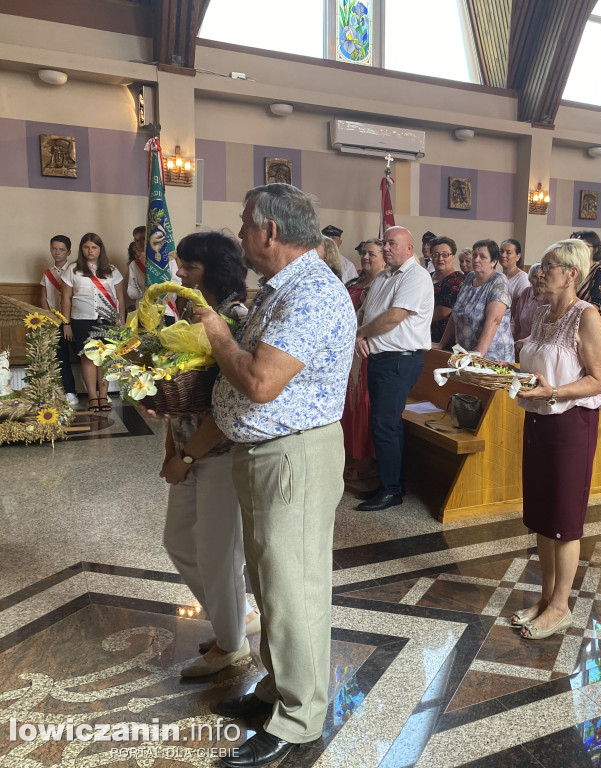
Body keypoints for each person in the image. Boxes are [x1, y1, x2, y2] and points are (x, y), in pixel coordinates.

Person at [195, 183, 355, 768]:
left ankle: (301, 716)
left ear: (269, 231)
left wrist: (215, 332)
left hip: (294, 457)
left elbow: (261, 383)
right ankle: (277, 687)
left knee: (294, 589)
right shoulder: (283, 289)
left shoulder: (312, 293)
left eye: (243, 225)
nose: (239, 236)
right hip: (267, 454)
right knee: (270, 584)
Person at [158, 231, 259, 678]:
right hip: (187, 449)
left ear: (214, 269)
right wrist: (172, 449)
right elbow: (181, 396)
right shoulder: (191, 311)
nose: (179, 273)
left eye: (189, 267)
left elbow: (230, 404)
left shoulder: (235, 318)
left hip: (219, 453)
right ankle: (234, 615)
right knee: (178, 541)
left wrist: (189, 457)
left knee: (218, 553)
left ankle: (232, 644)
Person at [513, 239, 601, 638]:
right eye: (539, 264)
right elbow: (538, 364)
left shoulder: (586, 316)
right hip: (539, 420)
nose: (539, 272)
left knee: (565, 518)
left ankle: (560, 605)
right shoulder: (541, 314)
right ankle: (545, 595)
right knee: (542, 514)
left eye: (548, 266)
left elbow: (598, 378)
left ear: (571, 273)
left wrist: (553, 392)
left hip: (571, 424)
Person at [355, 226, 434, 511]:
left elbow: (394, 317)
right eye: (384, 243)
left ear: (409, 249)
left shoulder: (416, 276)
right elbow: (366, 312)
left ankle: (392, 490)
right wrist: (359, 334)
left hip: (400, 359)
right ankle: (391, 483)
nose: (385, 248)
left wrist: (361, 334)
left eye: (392, 244)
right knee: (385, 424)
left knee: (384, 424)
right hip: (381, 359)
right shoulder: (384, 276)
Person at [60, 233, 126, 413]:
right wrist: (66, 323)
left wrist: (121, 320)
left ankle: (103, 396)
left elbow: (120, 298)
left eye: (94, 247)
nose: (90, 251)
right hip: (81, 320)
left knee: (105, 358)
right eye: (86, 247)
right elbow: (66, 298)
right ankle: (92, 397)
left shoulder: (112, 270)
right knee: (88, 358)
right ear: (82, 249)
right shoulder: (73, 269)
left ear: (100, 249)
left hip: (108, 321)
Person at [343, 239, 387, 481]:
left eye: (372, 253)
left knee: (362, 403)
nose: (366, 257)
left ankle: (364, 458)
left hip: (366, 349)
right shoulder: (355, 281)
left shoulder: (383, 283)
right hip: (347, 349)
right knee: (348, 403)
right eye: (363, 253)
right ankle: (349, 452)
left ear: (383, 257)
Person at [438, 239, 513, 361]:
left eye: (482, 257)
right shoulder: (470, 277)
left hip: (491, 357)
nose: (476, 260)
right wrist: (442, 344)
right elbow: (455, 313)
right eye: (474, 255)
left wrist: (479, 352)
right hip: (466, 354)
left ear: (493, 261)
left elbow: (494, 320)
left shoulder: (499, 281)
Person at [40, 234, 77, 405]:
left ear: (68, 252)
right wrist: (49, 317)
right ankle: (70, 392)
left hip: (73, 318)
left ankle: (96, 391)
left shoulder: (75, 270)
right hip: (55, 319)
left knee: (84, 355)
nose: (57, 252)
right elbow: (44, 297)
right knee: (61, 357)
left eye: (61, 249)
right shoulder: (48, 273)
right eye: (54, 249)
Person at [430, 235, 463, 345]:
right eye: (436, 255)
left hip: (444, 339)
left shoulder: (457, 279)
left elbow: (443, 311)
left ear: (453, 257)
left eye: (445, 255)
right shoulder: (427, 276)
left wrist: (416, 321)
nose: (440, 259)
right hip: (423, 334)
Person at [501, 238, 532, 340]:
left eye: (508, 252)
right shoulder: (497, 275)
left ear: (518, 256)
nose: (503, 255)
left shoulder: (522, 278)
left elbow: (519, 310)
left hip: (509, 330)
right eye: (501, 251)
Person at [573, 230, 601, 309]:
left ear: (595, 249)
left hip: (589, 318)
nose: (580, 250)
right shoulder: (573, 270)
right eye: (578, 246)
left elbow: (596, 304)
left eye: (585, 246)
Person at [125, 225, 147, 312]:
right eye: (137, 240)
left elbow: (177, 283)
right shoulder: (134, 265)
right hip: (143, 309)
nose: (140, 243)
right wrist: (144, 291)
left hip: (166, 309)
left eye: (143, 238)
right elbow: (131, 291)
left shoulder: (167, 260)